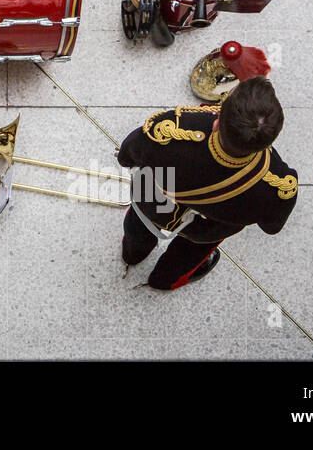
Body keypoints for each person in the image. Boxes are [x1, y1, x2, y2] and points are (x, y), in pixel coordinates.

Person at [116, 77, 298, 290]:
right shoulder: (278, 185)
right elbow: (272, 227)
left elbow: (127, 154)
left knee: (138, 228)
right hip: (204, 230)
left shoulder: (171, 130)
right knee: (189, 254)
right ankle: (163, 280)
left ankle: (132, 254)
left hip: (152, 204)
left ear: (217, 122)